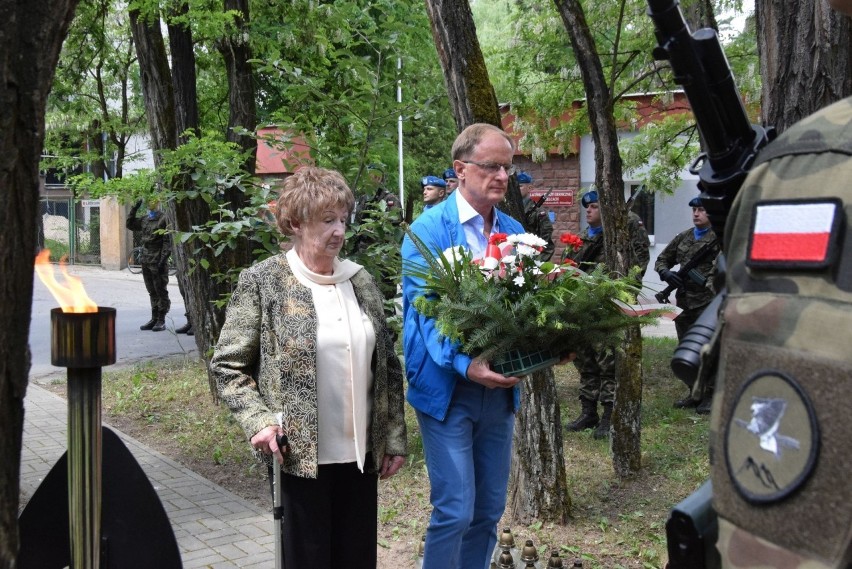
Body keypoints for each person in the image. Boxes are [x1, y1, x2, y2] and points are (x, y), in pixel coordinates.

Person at [210, 166, 407, 569]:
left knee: (356, 558)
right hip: (298, 457)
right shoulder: (265, 281)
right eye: (327, 220)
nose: (339, 231)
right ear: (295, 223)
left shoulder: (360, 281)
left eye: (342, 220)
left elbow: (386, 365)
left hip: (360, 456)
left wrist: (394, 437)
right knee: (307, 559)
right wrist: (259, 422)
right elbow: (227, 366)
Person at [401, 123, 526, 569]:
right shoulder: (428, 230)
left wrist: (552, 342)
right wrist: (463, 362)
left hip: (499, 389)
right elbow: (428, 308)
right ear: (460, 169)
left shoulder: (513, 230)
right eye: (492, 166)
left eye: (507, 168)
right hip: (446, 388)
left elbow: (525, 307)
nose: (502, 176)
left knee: (488, 512)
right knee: (455, 510)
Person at [564, 190, 650, 439]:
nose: (588, 210)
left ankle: (608, 416)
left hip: (607, 308)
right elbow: (567, 270)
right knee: (586, 362)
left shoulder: (617, 239)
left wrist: (622, 296)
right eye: (586, 207)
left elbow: (637, 265)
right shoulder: (578, 240)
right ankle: (588, 412)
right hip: (581, 310)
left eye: (594, 206)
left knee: (607, 364)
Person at [654, 196, 719, 411]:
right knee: (685, 347)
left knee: (707, 349)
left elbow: (719, 271)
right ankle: (694, 392)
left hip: (706, 305)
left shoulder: (718, 238)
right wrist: (666, 274)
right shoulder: (683, 237)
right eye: (694, 210)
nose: (696, 214)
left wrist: (709, 285)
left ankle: (710, 394)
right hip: (683, 303)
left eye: (701, 210)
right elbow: (662, 259)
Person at [126, 197, 171, 332]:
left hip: (157, 259)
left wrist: (163, 260)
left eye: (153, 201)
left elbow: (167, 242)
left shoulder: (164, 219)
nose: (151, 203)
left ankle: (161, 320)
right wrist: (134, 208)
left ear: (158, 203)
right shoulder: (145, 219)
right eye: (148, 201)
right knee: (151, 290)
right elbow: (130, 224)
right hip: (146, 259)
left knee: (160, 290)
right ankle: (154, 317)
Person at [517, 171, 555, 260]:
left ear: (530, 188)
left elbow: (547, 245)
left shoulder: (539, 213)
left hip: (532, 259)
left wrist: (536, 265)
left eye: (520, 186)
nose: (517, 190)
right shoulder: (511, 210)